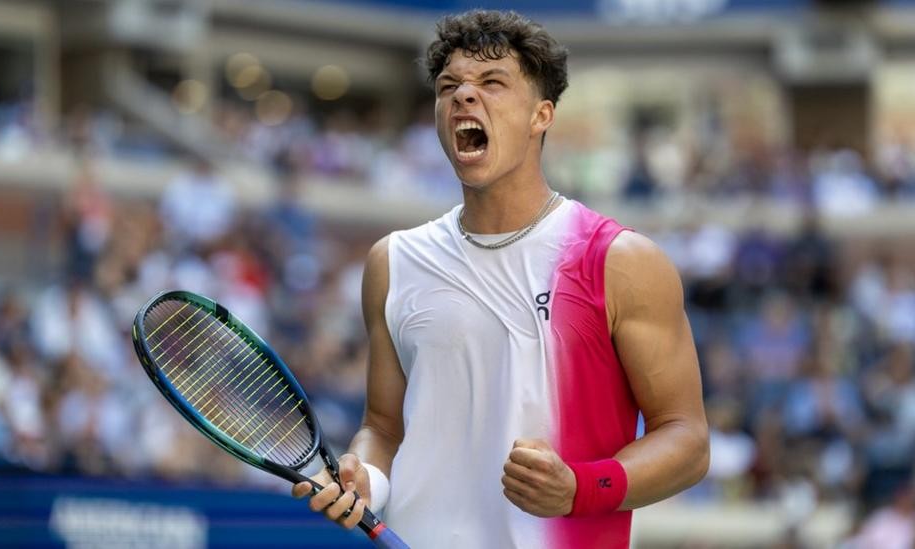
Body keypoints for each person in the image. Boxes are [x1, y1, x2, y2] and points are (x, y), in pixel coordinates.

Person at [292, 10, 709, 548]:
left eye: (492, 83)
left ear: (542, 115)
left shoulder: (620, 260)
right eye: (449, 87)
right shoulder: (392, 261)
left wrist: (580, 489)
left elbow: (688, 441)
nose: (464, 96)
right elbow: (383, 428)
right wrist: (364, 478)